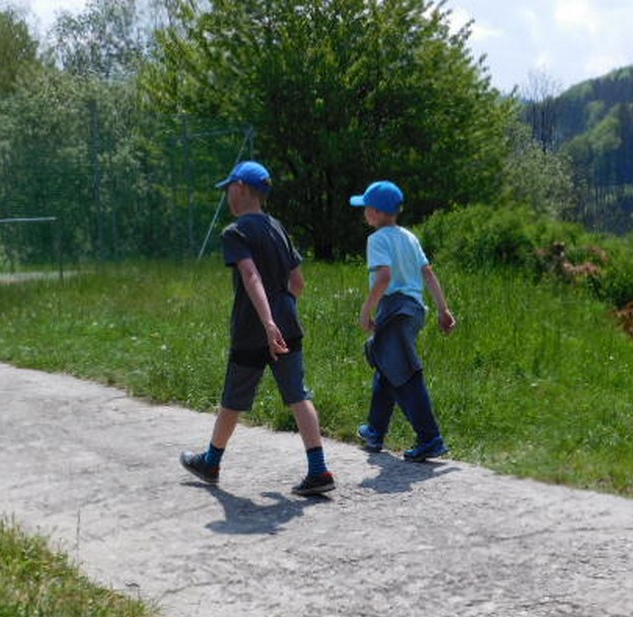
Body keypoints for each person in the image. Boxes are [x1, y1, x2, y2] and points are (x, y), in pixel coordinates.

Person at [180, 160, 335, 496]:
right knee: (298, 395)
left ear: (241, 188)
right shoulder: (277, 227)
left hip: (253, 330)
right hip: (287, 326)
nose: (227, 196)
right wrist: (281, 313)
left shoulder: (236, 232)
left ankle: (211, 462)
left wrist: (267, 322)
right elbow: (298, 283)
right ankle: (319, 470)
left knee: (233, 400)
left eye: (228, 189)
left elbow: (251, 275)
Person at [350, 180, 456, 461]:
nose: (363, 213)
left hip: (395, 309)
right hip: (415, 309)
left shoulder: (377, 239)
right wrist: (443, 310)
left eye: (365, 208)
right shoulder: (409, 237)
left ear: (375, 212)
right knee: (387, 364)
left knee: (405, 372)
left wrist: (366, 311)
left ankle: (430, 438)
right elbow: (428, 273)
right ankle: (375, 430)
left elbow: (384, 277)